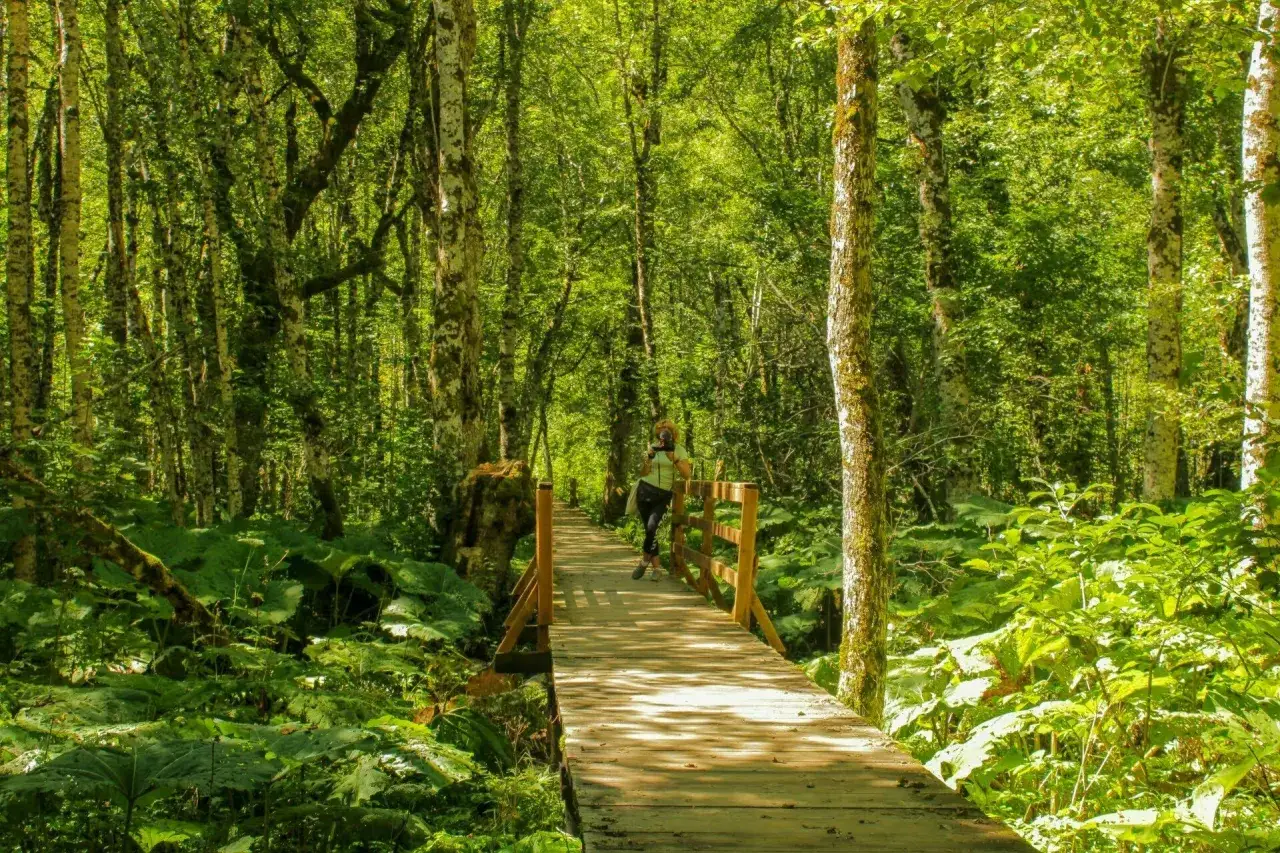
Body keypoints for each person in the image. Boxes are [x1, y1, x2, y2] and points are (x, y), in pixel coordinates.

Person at [631, 418, 692, 580]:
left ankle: (644, 562)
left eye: (667, 431)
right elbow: (643, 473)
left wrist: (674, 458)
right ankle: (657, 569)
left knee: (652, 527)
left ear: (673, 434)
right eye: (660, 431)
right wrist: (649, 457)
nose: (663, 434)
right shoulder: (653, 447)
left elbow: (687, 475)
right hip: (644, 491)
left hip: (663, 494)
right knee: (650, 531)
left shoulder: (679, 449)